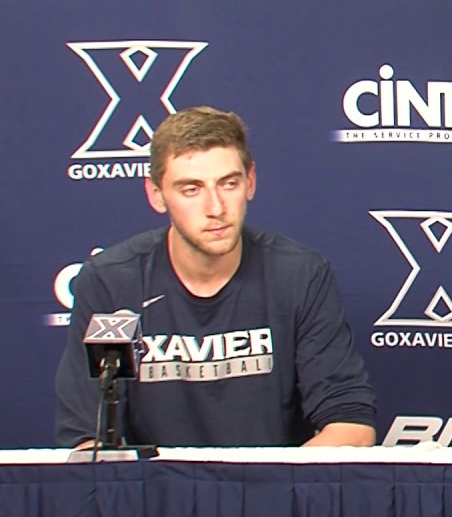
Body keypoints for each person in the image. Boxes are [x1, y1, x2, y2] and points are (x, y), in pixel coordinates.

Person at [54, 106, 377, 447]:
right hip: (155, 495)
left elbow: (351, 425)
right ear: (156, 195)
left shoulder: (299, 275)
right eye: (191, 189)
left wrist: (262, 495)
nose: (216, 207)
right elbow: (87, 436)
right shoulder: (113, 283)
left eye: (229, 183)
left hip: (273, 495)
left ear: (250, 182)